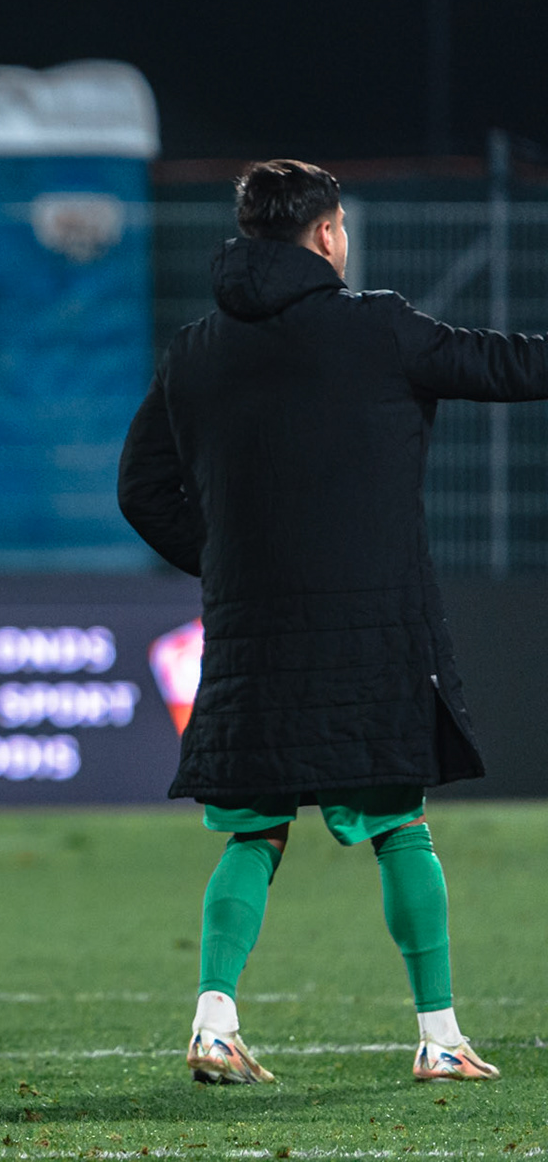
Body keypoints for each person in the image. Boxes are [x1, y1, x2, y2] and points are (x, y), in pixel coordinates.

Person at [118, 159, 548, 1087]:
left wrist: (227, 560)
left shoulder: (195, 347)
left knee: (253, 829)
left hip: (251, 631)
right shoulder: (379, 328)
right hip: (376, 632)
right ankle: (438, 1036)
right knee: (400, 824)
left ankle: (214, 1018)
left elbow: (141, 488)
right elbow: (514, 365)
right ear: (325, 234)